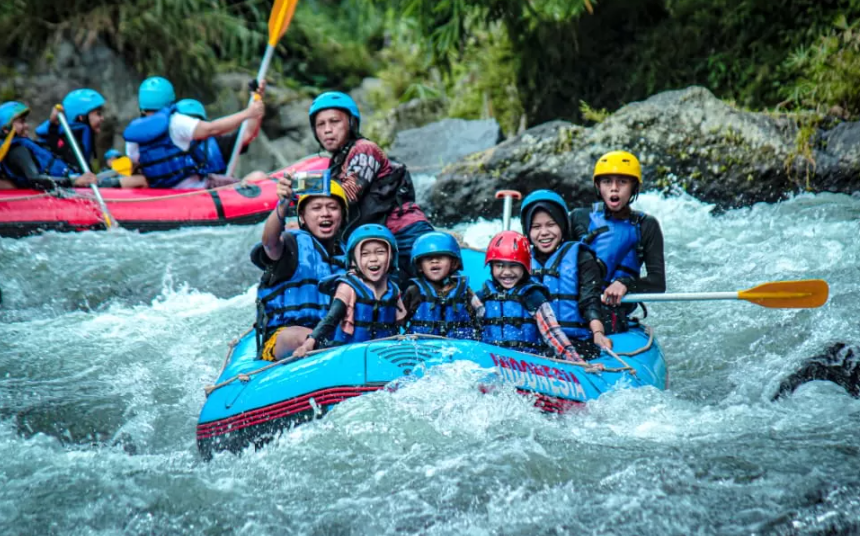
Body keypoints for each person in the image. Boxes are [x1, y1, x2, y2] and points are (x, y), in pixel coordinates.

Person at [288, 91, 433, 282]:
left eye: (334, 122)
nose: (327, 130)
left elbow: (348, 192)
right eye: (320, 125)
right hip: (378, 242)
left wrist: (298, 184)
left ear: (351, 123)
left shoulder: (365, 149)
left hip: (406, 234)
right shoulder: (336, 164)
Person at [252, 180, 349, 361]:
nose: (325, 213)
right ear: (302, 217)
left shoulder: (352, 254)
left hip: (334, 337)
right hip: (285, 336)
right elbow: (269, 243)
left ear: (342, 215)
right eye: (316, 208)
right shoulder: (291, 244)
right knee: (299, 337)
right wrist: (282, 206)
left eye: (332, 207)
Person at [570, 150, 665, 332]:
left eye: (622, 181)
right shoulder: (578, 218)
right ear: (598, 186)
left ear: (634, 187)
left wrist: (626, 284)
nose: (614, 188)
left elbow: (658, 282)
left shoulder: (647, 226)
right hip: (576, 311)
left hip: (614, 314)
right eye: (607, 181)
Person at [123, 76, 267, 189]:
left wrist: (255, 104)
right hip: (195, 192)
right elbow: (212, 128)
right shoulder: (176, 122)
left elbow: (137, 166)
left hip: (165, 194)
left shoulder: (134, 134)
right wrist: (248, 113)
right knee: (258, 176)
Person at [478, 231, 592, 365]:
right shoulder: (483, 297)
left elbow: (552, 332)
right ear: (491, 267)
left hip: (528, 365)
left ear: (525, 267)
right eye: (499, 266)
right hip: (493, 363)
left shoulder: (532, 296)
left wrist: (576, 361)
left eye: (514, 265)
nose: (507, 272)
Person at [292, 224, 406, 357]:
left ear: (391, 257)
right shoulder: (348, 287)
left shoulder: (393, 289)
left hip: (382, 353)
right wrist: (309, 342)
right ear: (354, 260)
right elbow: (331, 319)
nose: (373, 259)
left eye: (380, 252)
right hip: (349, 352)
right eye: (364, 254)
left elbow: (402, 326)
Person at [520, 190, 612, 354]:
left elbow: (589, 299)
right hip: (534, 345)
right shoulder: (519, 261)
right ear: (527, 231)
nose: (544, 233)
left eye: (551, 224)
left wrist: (598, 333)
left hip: (576, 343)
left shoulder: (581, 257)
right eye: (536, 227)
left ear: (562, 225)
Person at [401, 231, 483, 339]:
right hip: (422, 351)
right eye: (428, 258)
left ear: (454, 263)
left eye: (441, 257)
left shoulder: (465, 292)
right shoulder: (414, 291)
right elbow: (399, 322)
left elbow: (480, 317)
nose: (434, 261)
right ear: (419, 266)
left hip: (458, 350)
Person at [0, 101, 96, 190]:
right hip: (64, 186)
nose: (26, 126)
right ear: (6, 129)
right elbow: (35, 180)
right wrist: (73, 181)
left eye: (25, 121)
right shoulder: (18, 151)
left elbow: (52, 153)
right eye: (21, 122)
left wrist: (53, 125)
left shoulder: (24, 145)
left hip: (68, 179)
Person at [174, 98, 263, 180]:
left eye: (195, 122)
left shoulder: (216, 144)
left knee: (258, 177)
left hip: (221, 194)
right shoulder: (166, 148)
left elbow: (247, 134)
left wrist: (256, 99)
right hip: (184, 195)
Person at [35, 88, 105, 171]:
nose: (102, 118)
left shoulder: (79, 136)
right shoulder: (67, 141)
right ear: (81, 117)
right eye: (98, 114)